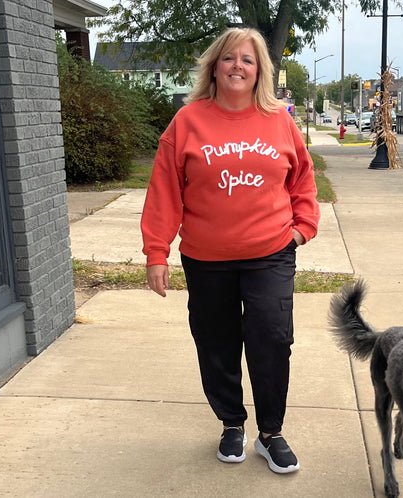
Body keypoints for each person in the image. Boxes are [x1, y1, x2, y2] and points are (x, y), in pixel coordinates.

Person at [141, 27, 320, 474]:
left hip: (270, 252)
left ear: (260, 70)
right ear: (214, 68)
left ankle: (271, 432)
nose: (237, 66)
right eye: (228, 59)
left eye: (248, 59)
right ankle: (231, 423)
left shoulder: (279, 119)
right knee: (216, 344)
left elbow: (302, 178)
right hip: (206, 259)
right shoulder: (188, 121)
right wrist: (157, 252)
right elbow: (165, 189)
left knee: (273, 340)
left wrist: (302, 228)